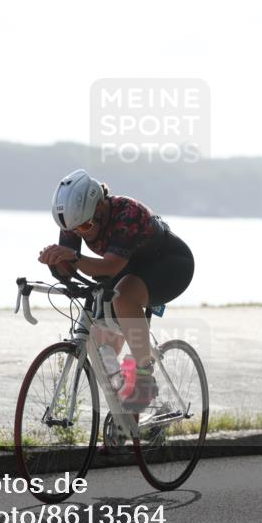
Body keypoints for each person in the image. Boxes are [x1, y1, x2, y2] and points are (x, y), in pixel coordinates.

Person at [38, 169, 195, 409]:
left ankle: (145, 376)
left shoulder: (127, 213)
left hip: (170, 265)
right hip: (128, 268)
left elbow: (109, 267)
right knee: (104, 352)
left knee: (123, 298)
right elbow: (71, 268)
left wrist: (74, 257)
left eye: (86, 226)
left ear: (100, 206)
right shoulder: (75, 219)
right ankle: (124, 426)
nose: (81, 232)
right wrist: (56, 262)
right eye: (74, 230)